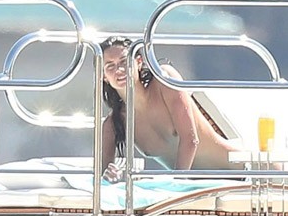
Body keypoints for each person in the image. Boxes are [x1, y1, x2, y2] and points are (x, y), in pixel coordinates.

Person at [99, 36, 242, 182]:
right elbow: (102, 179)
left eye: (124, 61)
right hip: (196, 187)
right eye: (110, 66)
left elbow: (190, 139)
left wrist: (176, 185)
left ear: (139, 62)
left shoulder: (164, 80)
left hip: (242, 175)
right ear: (104, 76)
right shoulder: (113, 124)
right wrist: (113, 176)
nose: (119, 70)